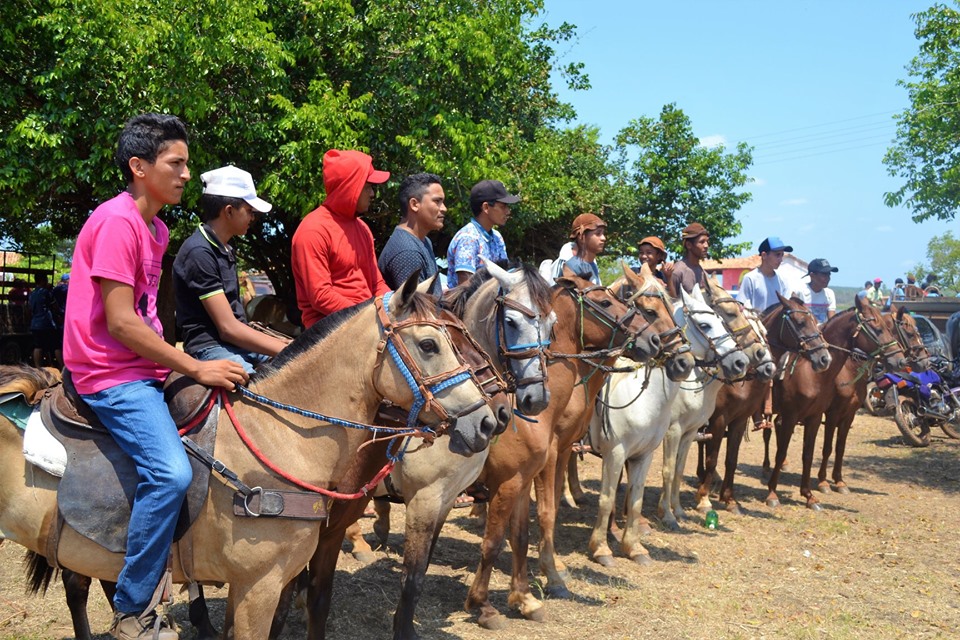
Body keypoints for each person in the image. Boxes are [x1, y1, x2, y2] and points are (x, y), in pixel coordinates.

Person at [63, 113, 246, 640]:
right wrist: (192, 364)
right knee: (169, 474)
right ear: (139, 166)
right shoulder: (117, 221)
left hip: (143, 365)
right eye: (177, 163)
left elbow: (144, 313)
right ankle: (132, 610)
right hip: (107, 371)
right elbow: (119, 321)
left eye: (187, 163)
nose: (188, 173)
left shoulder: (157, 227)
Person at [173, 165, 289, 375]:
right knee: (261, 391)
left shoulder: (225, 248)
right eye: (249, 211)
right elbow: (228, 329)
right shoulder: (199, 252)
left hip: (237, 341)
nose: (253, 218)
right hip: (210, 347)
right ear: (228, 211)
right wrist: (287, 349)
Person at [291, 149, 391, 329]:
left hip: (365, 322)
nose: (373, 194)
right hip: (330, 330)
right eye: (368, 187)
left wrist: (395, 307)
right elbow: (321, 296)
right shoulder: (313, 230)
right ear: (350, 187)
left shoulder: (363, 228)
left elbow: (377, 284)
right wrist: (369, 316)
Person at [378, 172, 445, 297]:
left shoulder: (423, 241)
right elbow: (416, 312)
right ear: (414, 204)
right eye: (437, 201)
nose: (444, 208)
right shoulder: (408, 252)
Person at [445, 179, 519, 288]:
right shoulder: (468, 238)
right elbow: (465, 289)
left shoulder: (497, 237)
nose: (508, 211)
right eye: (503, 206)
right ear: (486, 207)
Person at [737, 236, 793, 311]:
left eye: (782, 255)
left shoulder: (783, 281)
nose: (781, 260)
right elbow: (741, 306)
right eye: (777, 255)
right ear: (764, 255)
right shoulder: (750, 278)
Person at [564, 213, 607, 285]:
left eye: (603, 233)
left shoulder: (593, 265)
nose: (603, 238)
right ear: (581, 237)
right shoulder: (572, 267)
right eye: (598, 233)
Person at [28, 272, 59, 367]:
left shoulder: (32, 293)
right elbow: (55, 307)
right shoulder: (46, 292)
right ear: (43, 280)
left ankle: (38, 368)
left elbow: (29, 309)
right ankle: (58, 367)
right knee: (54, 346)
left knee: (38, 346)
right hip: (46, 323)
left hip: (35, 324)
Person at [670, 222, 710, 295]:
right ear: (689, 245)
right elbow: (671, 302)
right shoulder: (677, 272)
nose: (706, 245)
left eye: (707, 241)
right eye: (702, 242)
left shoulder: (704, 274)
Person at [797, 258, 838, 324]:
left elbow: (832, 322)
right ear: (812, 276)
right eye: (824, 275)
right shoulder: (800, 291)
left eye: (829, 274)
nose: (828, 278)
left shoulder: (829, 294)